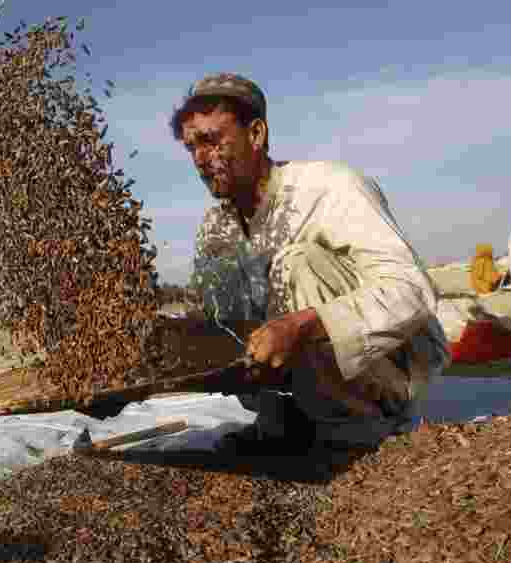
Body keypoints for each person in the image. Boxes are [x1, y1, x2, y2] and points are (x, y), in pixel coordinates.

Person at [170, 73, 451, 449]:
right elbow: (218, 326)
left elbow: (412, 291)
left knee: (297, 262)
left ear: (256, 134)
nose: (200, 159)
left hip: (396, 366)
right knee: (222, 303)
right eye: (191, 148)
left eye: (211, 140)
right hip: (301, 384)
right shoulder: (216, 226)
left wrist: (304, 324)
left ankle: (361, 424)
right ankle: (285, 417)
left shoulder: (328, 187)